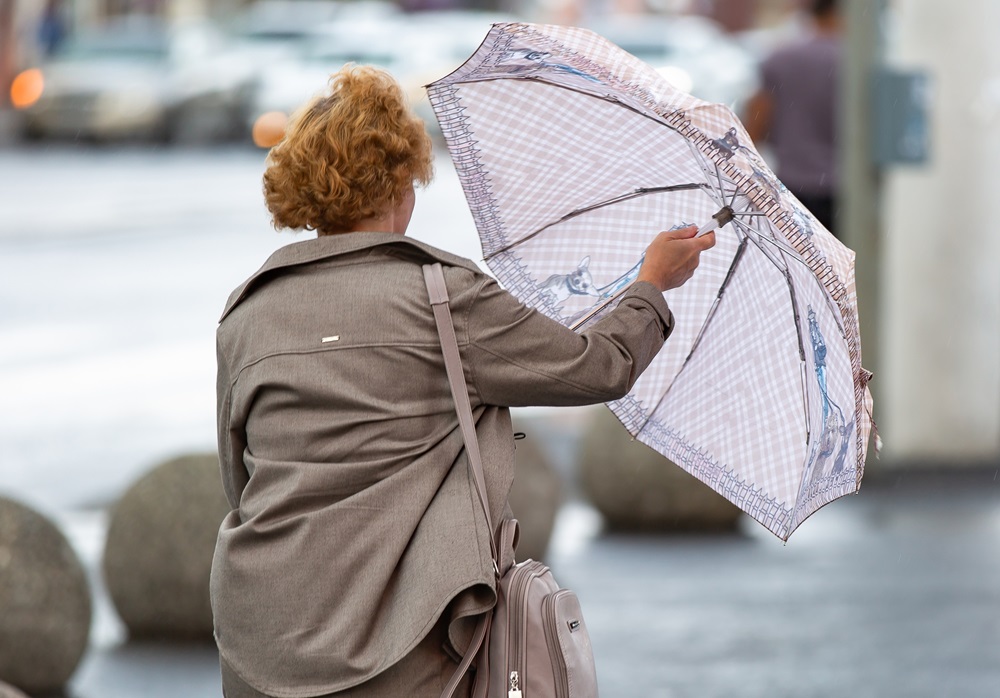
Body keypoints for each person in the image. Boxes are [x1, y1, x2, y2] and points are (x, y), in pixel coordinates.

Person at [211, 64, 715, 698]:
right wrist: (651, 284)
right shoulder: (443, 298)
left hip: (262, 634)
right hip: (402, 636)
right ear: (401, 181)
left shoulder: (249, 312)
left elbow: (240, 479)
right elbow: (598, 366)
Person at [744, 0, 842, 237]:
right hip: (844, 190)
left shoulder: (781, 58)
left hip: (791, 186)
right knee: (841, 268)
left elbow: (756, 123)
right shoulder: (855, 62)